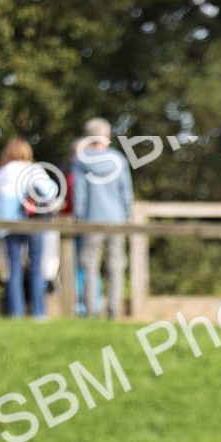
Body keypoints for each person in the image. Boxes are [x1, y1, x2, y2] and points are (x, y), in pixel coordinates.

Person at [72, 118, 133, 319]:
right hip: (116, 220)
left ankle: (91, 312)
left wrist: (80, 217)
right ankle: (113, 311)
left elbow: (79, 194)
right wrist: (126, 217)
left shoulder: (81, 161)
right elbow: (127, 194)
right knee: (115, 266)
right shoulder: (119, 160)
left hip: (91, 219)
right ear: (107, 136)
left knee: (90, 267)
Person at [0, 138, 52, 319]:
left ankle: (15, 313)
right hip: (33, 222)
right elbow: (50, 192)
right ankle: (39, 313)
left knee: (14, 268)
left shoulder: (1, 172)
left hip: (9, 225)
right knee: (36, 266)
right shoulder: (34, 170)